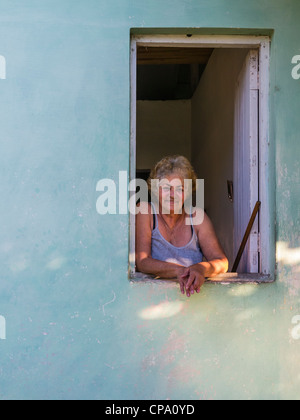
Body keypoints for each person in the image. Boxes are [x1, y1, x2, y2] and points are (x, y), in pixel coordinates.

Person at [135, 155, 228, 297]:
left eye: (180, 189)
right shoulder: (145, 211)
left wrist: (200, 269)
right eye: (166, 188)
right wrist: (181, 271)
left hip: (193, 304)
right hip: (153, 299)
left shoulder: (198, 217)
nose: (173, 195)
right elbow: (142, 261)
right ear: (155, 190)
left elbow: (222, 261)